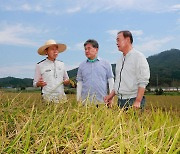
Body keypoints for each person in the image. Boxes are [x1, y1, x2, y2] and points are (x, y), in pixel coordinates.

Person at [104, 31, 150, 110]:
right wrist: (110, 96)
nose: (116, 43)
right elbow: (117, 82)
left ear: (127, 40)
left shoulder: (138, 57)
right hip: (120, 101)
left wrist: (138, 101)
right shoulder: (119, 61)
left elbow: (143, 81)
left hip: (133, 100)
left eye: (118, 40)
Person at [76, 39, 114, 106]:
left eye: (89, 48)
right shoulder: (82, 65)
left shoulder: (106, 64)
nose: (86, 51)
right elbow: (79, 83)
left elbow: (111, 81)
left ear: (96, 49)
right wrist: (78, 99)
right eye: (85, 49)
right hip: (85, 103)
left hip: (102, 102)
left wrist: (111, 98)